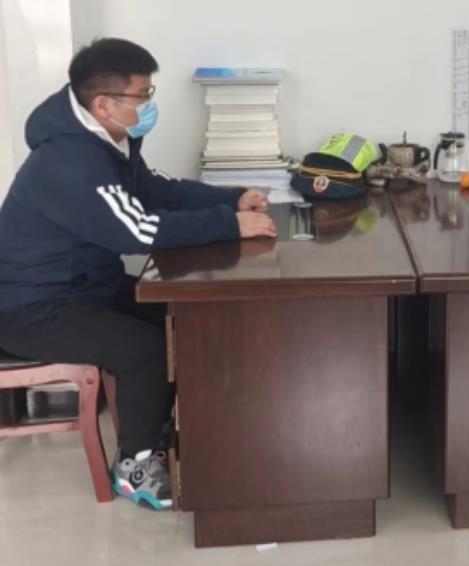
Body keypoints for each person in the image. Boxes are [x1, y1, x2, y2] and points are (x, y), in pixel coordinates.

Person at [0, 38, 278, 510]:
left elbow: (152, 192)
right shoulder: (70, 160)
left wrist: (230, 198)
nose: (149, 105)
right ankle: (137, 467)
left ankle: (183, 426)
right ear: (104, 104)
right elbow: (137, 229)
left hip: (83, 289)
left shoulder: (106, 139)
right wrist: (230, 225)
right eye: (142, 95)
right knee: (144, 348)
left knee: (180, 315)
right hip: (30, 308)